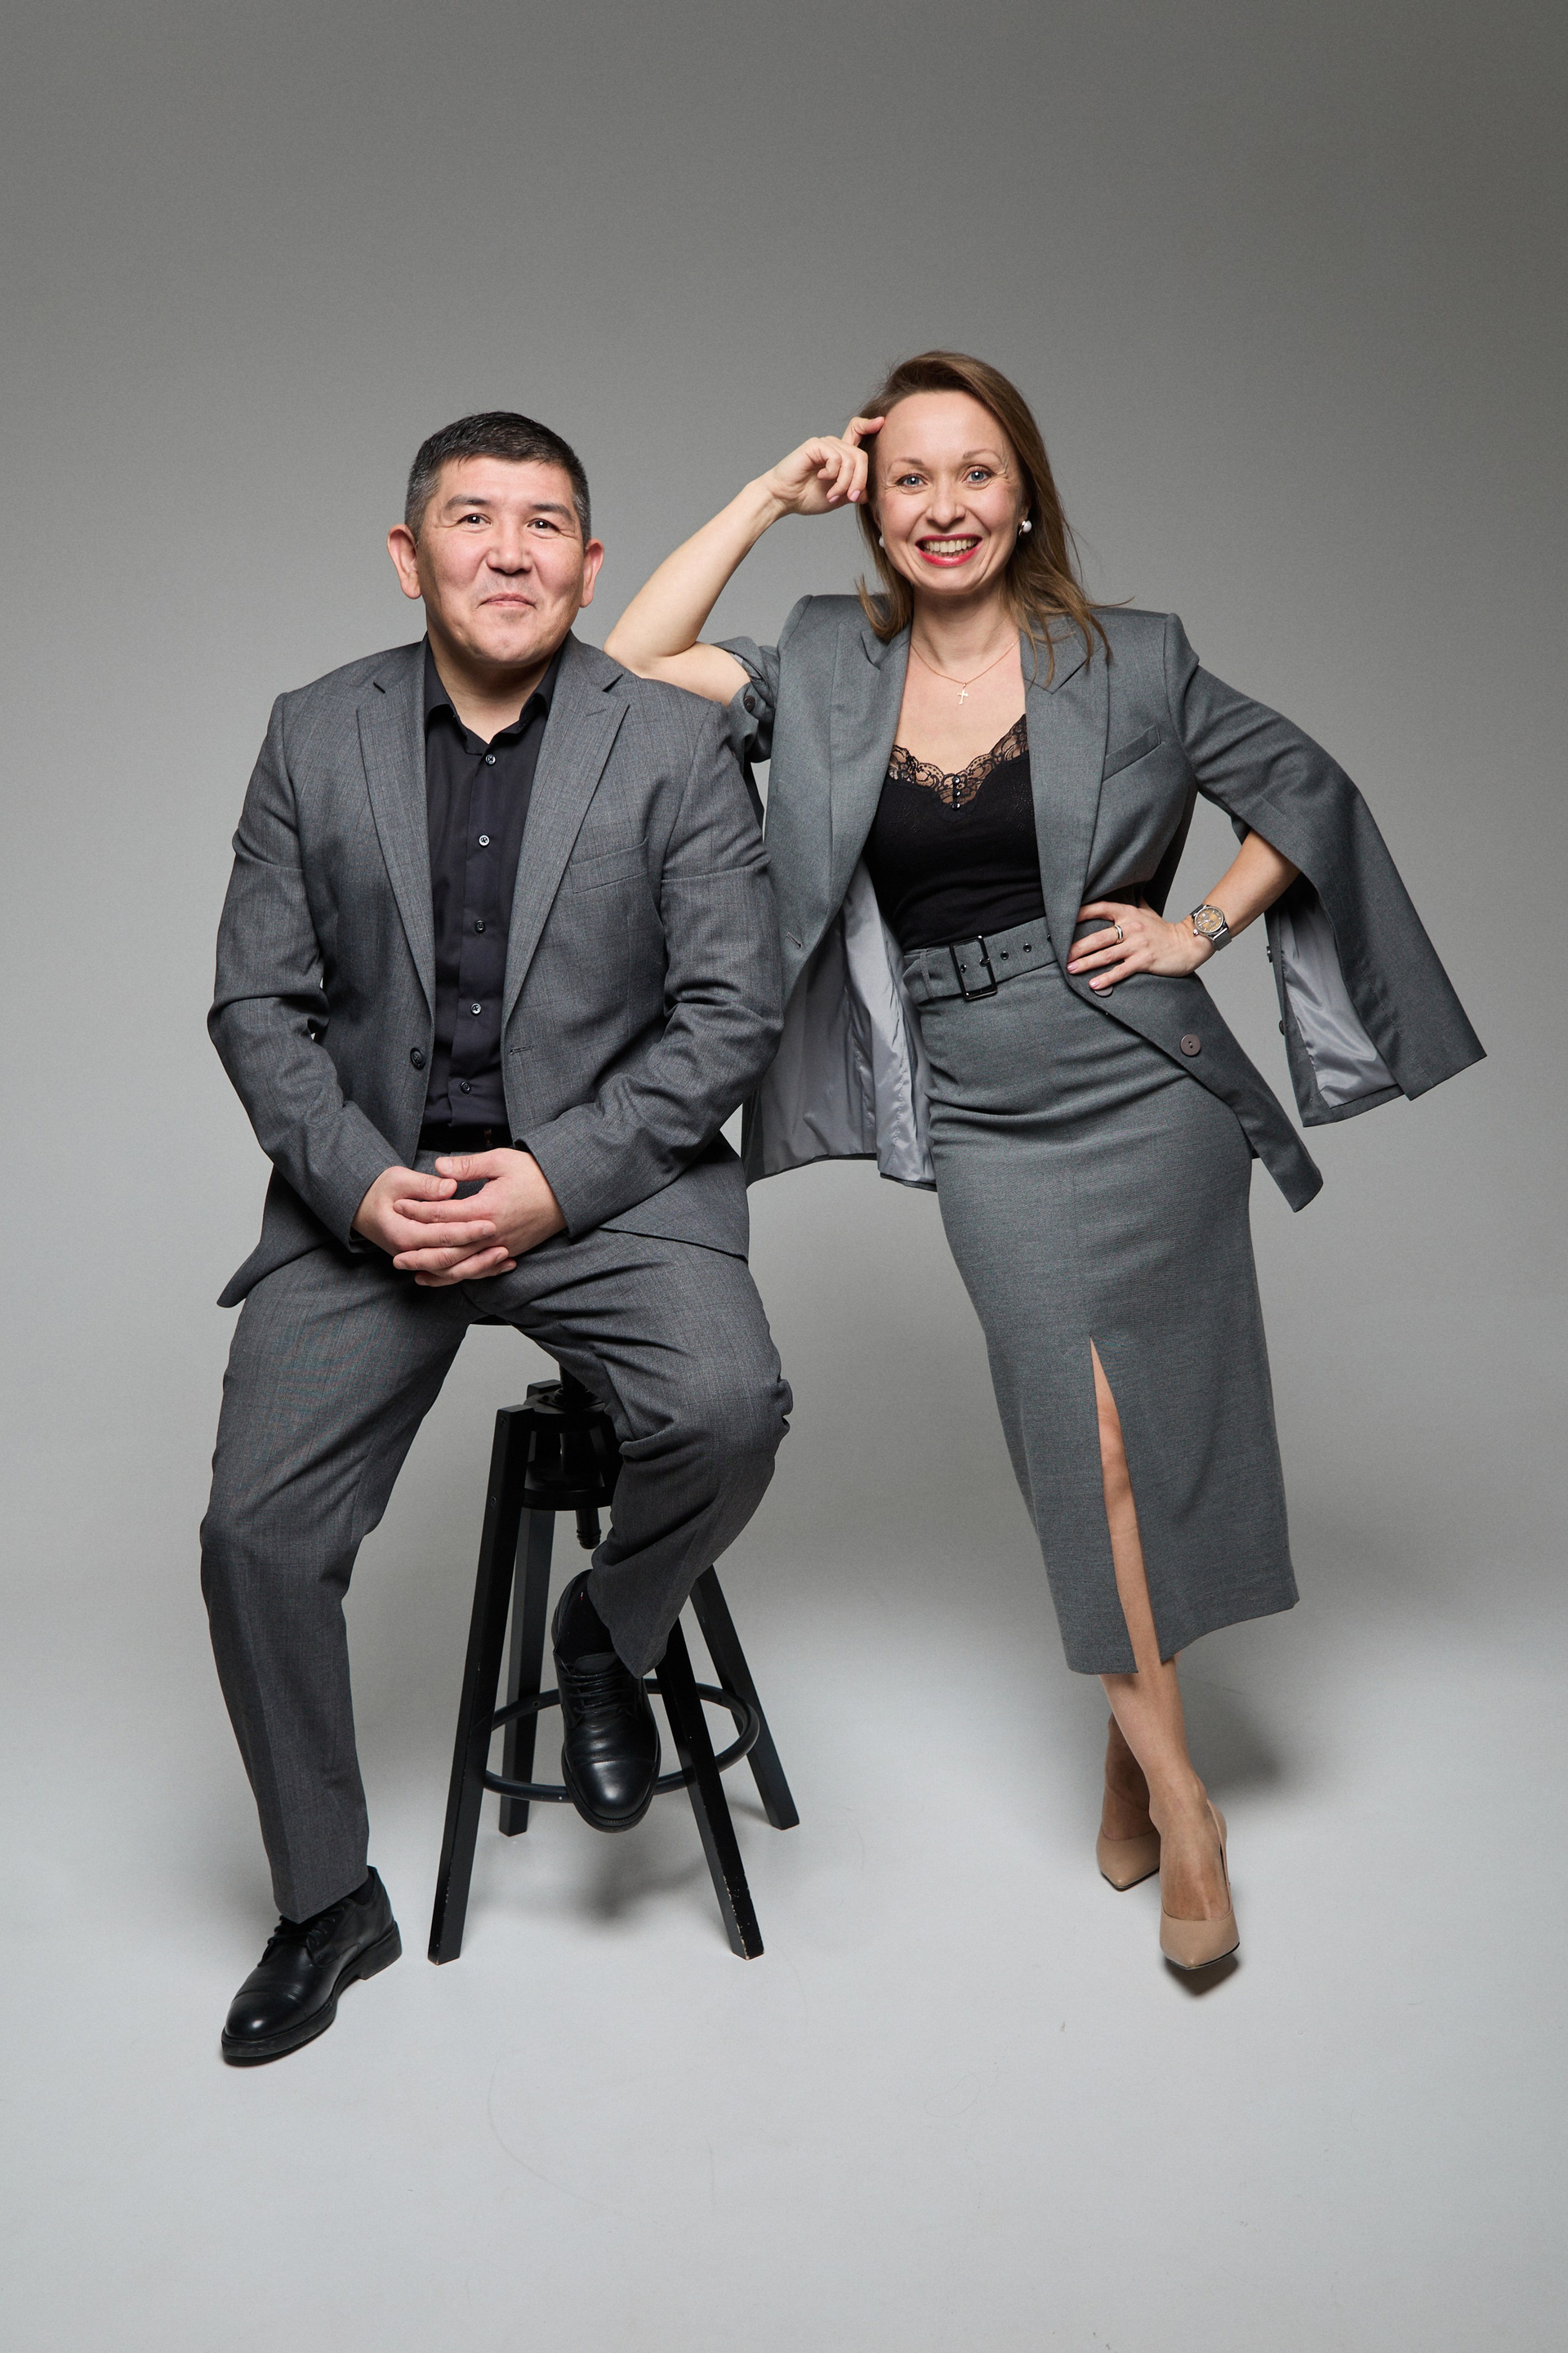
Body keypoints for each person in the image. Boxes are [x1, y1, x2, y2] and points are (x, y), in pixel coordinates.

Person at [605, 350, 1482, 1972]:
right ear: (877, 505)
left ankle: (1149, 1764)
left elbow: (1305, 789)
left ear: (1024, 499)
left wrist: (1196, 925)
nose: (945, 506)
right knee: (1078, 1443)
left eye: (977, 473)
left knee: (1144, 1441)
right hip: (982, 1110)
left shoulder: (1134, 657)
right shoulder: (828, 660)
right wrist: (766, 497)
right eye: (912, 477)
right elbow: (635, 659)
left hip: (1147, 1086)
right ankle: (1184, 1791)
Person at [203, 411, 791, 2062]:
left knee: (729, 1407)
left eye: (546, 525)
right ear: (412, 556)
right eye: (474, 518)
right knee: (253, 1535)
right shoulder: (314, 730)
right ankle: (329, 1900)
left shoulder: (670, 744)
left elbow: (732, 1011)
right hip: (374, 1194)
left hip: (604, 1189)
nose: (511, 551)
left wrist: (557, 1178)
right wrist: (354, 1181)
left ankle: (607, 1625)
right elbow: (256, 1001)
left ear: (591, 568)